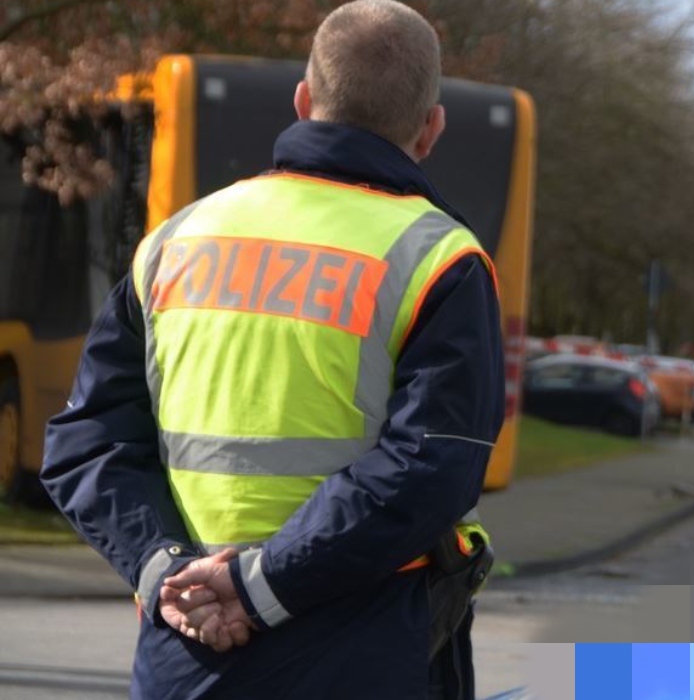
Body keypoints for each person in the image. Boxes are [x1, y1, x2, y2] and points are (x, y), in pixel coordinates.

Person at [40, 1, 504, 698]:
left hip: (187, 646)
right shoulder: (440, 261)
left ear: (302, 100)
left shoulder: (176, 240)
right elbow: (429, 469)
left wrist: (164, 569)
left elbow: (86, 440)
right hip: (357, 647)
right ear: (431, 127)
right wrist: (258, 586)